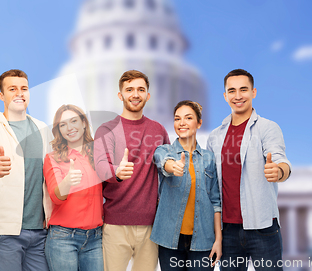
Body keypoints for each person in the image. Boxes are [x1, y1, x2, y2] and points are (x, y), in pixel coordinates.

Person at [206, 69, 291, 271]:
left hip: (263, 227)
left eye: (243, 89)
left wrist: (278, 171)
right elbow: (211, 185)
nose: (238, 96)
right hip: (228, 231)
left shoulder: (268, 128)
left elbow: (281, 160)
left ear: (253, 92)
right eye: (232, 91)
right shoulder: (214, 137)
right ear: (225, 96)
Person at [0, 69, 53, 271]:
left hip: (39, 230)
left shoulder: (43, 129)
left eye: (24, 88)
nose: (19, 93)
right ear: (2, 95)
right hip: (4, 232)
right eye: (12, 89)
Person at [94, 70, 170, 271]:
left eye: (140, 90)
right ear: (120, 95)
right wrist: (117, 172)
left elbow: (166, 170)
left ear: (148, 95)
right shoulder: (106, 129)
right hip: (115, 225)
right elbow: (101, 167)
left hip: (151, 226)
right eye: (129, 90)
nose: (135, 94)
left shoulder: (159, 130)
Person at [152, 100, 222, 271]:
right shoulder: (165, 150)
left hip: (203, 241)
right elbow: (162, 161)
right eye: (177, 119)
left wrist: (218, 240)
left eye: (188, 118)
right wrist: (172, 166)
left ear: (199, 123)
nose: (181, 123)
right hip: (169, 241)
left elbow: (215, 202)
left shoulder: (209, 158)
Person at [43, 104, 104, 271]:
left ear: (84, 123)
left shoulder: (98, 154)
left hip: (95, 238)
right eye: (63, 125)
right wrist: (67, 182)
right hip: (63, 239)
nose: (69, 128)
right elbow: (55, 197)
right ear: (59, 131)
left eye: (74, 121)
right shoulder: (53, 158)